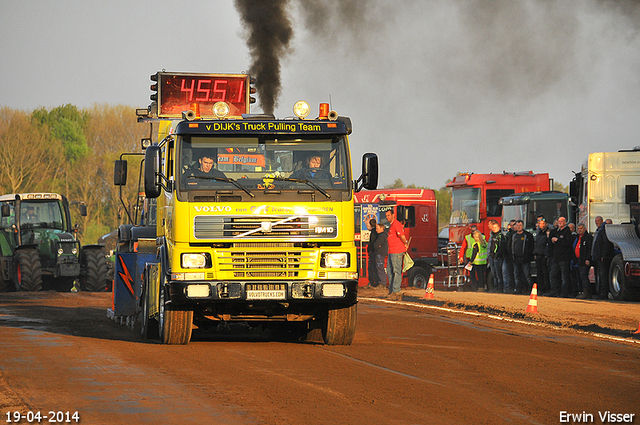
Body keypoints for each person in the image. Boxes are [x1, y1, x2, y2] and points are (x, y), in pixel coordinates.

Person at [385, 209, 408, 300]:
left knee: (396, 270)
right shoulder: (391, 226)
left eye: (388, 215)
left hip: (397, 251)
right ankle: (392, 290)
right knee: (389, 271)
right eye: (386, 216)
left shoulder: (396, 224)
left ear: (393, 215)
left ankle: (396, 290)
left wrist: (405, 243)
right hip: (391, 251)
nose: (387, 217)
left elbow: (401, 235)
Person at [548, 217, 574, 297]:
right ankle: (554, 291)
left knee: (564, 276)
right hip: (556, 258)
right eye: (559, 221)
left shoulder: (567, 232)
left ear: (565, 222)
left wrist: (558, 240)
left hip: (564, 258)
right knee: (553, 275)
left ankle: (564, 292)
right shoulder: (555, 231)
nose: (560, 222)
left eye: (562, 221)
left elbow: (568, 243)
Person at [592, 217, 615, 299]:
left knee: (603, 275)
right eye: (596, 221)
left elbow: (606, 245)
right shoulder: (599, 231)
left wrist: (603, 256)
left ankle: (603, 294)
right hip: (600, 257)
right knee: (602, 275)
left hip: (603, 257)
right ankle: (602, 293)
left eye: (598, 221)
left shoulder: (603, 231)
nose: (596, 222)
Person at [510, 220, 534, 295]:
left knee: (527, 275)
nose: (518, 227)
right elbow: (511, 246)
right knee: (516, 275)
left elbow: (531, 247)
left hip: (525, 259)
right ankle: (518, 289)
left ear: (523, 226)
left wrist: (527, 256)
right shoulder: (513, 236)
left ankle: (530, 290)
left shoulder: (527, 235)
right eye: (517, 225)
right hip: (516, 259)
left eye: (520, 225)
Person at [574, 223, 594, 299]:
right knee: (580, 277)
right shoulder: (578, 237)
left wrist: (588, 259)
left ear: (585, 229)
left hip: (585, 260)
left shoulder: (588, 237)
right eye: (578, 228)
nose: (579, 230)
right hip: (579, 260)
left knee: (584, 276)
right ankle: (582, 292)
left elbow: (590, 249)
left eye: (581, 228)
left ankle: (587, 293)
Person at [533, 217, 551, 294]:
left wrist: (547, 254)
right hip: (538, 255)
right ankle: (541, 289)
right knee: (539, 274)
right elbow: (536, 243)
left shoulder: (548, 233)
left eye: (543, 223)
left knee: (545, 273)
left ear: (546, 224)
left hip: (544, 256)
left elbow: (548, 244)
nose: (541, 225)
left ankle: (547, 289)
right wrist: (535, 253)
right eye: (540, 224)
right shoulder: (538, 233)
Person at [487, 220, 505, 293]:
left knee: (498, 274)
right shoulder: (492, 236)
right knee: (493, 274)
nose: (494, 228)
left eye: (495, 227)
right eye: (493, 227)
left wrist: (498, 254)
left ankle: (500, 288)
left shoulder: (500, 236)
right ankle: (495, 288)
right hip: (491, 257)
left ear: (498, 227)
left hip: (498, 257)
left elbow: (502, 247)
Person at [371, 222, 388, 289]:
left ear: (382, 228)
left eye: (377, 228)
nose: (376, 230)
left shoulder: (382, 236)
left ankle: (382, 283)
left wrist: (375, 246)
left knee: (380, 268)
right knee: (378, 268)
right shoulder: (382, 236)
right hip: (380, 253)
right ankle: (381, 283)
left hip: (380, 254)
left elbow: (376, 245)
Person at [502, 219, 516, 293]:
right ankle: (510, 288)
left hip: (517, 256)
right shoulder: (508, 235)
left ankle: (518, 288)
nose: (512, 226)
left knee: (517, 273)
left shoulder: (518, 234)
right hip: (508, 256)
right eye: (511, 225)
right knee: (509, 273)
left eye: (514, 224)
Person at [366, 218, 380, 287]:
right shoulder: (377, 232)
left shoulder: (373, 232)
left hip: (373, 252)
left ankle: (373, 282)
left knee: (372, 268)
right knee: (375, 268)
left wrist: (370, 249)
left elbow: (372, 242)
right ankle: (375, 282)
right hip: (375, 252)